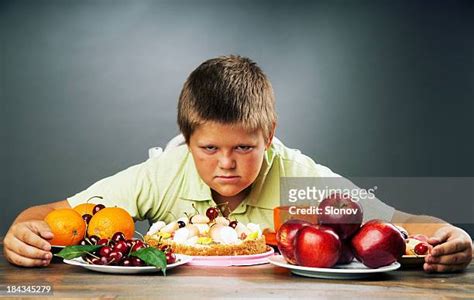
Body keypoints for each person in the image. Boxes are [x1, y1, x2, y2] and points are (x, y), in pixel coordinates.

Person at [4, 55, 472, 272]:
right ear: (188, 143)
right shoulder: (163, 172)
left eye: (245, 149)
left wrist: (453, 234)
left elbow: (398, 224)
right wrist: (26, 233)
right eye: (209, 149)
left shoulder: (296, 177)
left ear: (268, 137)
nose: (226, 164)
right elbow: (42, 216)